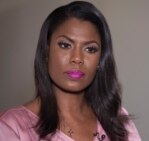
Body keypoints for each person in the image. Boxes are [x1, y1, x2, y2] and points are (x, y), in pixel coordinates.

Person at [0, 1, 141, 141]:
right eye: (65, 45)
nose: (77, 58)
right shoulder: (11, 126)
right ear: (46, 52)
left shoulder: (117, 119)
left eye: (90, 49)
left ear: (100, 60)